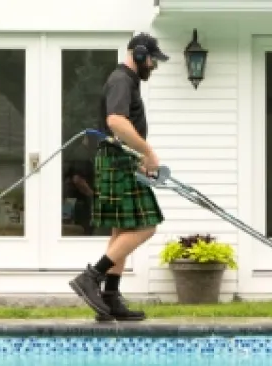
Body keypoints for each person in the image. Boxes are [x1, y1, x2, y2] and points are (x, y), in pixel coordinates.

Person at [68, 33, 169, 322]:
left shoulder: (125, 80)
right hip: (118, 162)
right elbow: (116, 121)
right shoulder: (122, 80)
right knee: (146, 226)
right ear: (140, 55)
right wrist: (148, 154)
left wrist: (138, 157)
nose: (154, 66)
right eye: (153, 60)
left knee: (122, 231)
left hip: (121, 161)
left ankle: (110, 296)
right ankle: (91, 277)